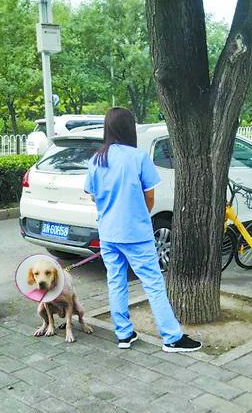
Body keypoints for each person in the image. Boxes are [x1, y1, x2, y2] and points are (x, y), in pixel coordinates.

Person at [84, 107, 202, 353]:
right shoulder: (138, 157)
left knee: (116, 282)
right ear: (129, 128)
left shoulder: (97, 159)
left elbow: (94, 197)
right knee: (153, 283)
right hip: (135, 233)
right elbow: (150, 198)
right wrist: (136, 215)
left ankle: (124, 335)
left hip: (108, 232)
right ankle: (172, 337)